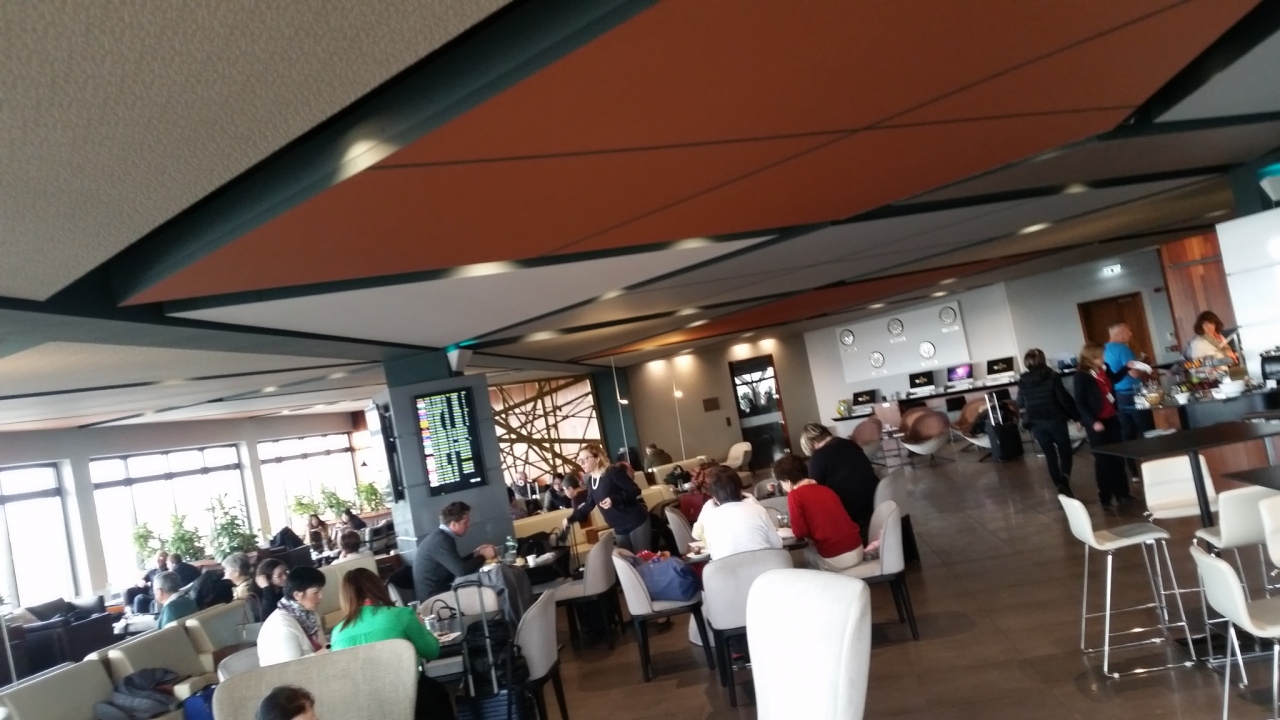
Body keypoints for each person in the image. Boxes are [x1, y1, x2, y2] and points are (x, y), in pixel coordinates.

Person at [330, 568, 453, 720]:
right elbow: (432, 651)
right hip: (409, 696)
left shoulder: (337, 633)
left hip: (363, 707)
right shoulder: (402, 615)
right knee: (436, 692)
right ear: (377, 587)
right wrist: (421, 626)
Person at [773, 455, 863, 571]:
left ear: (787, 481)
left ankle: (827, 579)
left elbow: (800, 532)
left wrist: (789, 532)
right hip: (858, 548)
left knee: (807, 554)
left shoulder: (794, 495)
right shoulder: (826, 489)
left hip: (838, 557)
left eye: (781, 483)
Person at [1074, 342, 1135, 508]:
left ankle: (1122, 493)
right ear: (1091, 357)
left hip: (1111, 417)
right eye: (1100, 355)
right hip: (1096, 421)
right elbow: (1080, 402)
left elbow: (1113, 380)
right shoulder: (1081, 376)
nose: (1103, 358)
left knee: (1117, 456)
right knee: (1103, 460)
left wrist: (1126, 368)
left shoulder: (1104, 369)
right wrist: (1092, 421)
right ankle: (1106, 496)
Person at [563, 442, 651, 552]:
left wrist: (614, 500)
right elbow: (588, 505)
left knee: (643, 559)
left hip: (635, 521)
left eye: (585, 459)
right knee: (626, 561)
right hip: (619, 527)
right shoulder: (591, 481)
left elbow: (635, 490)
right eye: (579, 460)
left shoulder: (612, 472)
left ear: (597, 459)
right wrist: (570, 519)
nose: (581, 463)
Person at [1017, 348, 1082, 498]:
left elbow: (1020, 402)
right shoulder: (1052, 376)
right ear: (1043, 359)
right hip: (1055, 420)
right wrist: (1076, 417)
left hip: (1036, 422)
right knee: (1065, 451)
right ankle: (1064, 481)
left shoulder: (1023, 380)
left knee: (1050, 455)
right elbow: (1063, 399)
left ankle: (1058, 485)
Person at [802, 423, 880, 545]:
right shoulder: (850, 444)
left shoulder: (818, 456)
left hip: (853, 512)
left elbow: (813, 491)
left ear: (814, 444)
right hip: (875, 499)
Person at [692, 465, 782, 561]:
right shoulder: (757, 509)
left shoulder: (709, 518)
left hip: (726, 569)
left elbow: (713, 551)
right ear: (740, 489)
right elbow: (777, 545)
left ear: (714, 496)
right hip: (764, 566)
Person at [413, 502, 496, 602]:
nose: (469, 525)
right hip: (435, 600)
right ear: (453, 524)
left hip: (438, 593)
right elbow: (462, 571)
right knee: (491, 588)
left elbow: (456, 565)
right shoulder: (441, 541)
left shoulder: (440, 537)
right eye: (465, 522)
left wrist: (475, 554)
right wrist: (483, 556)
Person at [1102, 322, 1151, 475]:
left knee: (1126, 431)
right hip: (1134, 393)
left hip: (1117, 395)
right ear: (1120, 333)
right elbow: (1134, 373)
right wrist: (1145, 366)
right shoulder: (1123, 349)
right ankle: (1150, 464)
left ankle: (1133, 470)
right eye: (1128, 331)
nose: (1130, 334)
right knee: (1145, 429)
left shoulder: (1103, 349)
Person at [258, 566, 327, 667]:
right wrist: (328, 650)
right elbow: (291, 667)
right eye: (316, 592)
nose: (321, 596)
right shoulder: (282, 625)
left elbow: (323, 645)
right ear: (297, 595)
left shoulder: (310, 614)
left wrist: (332, 647)